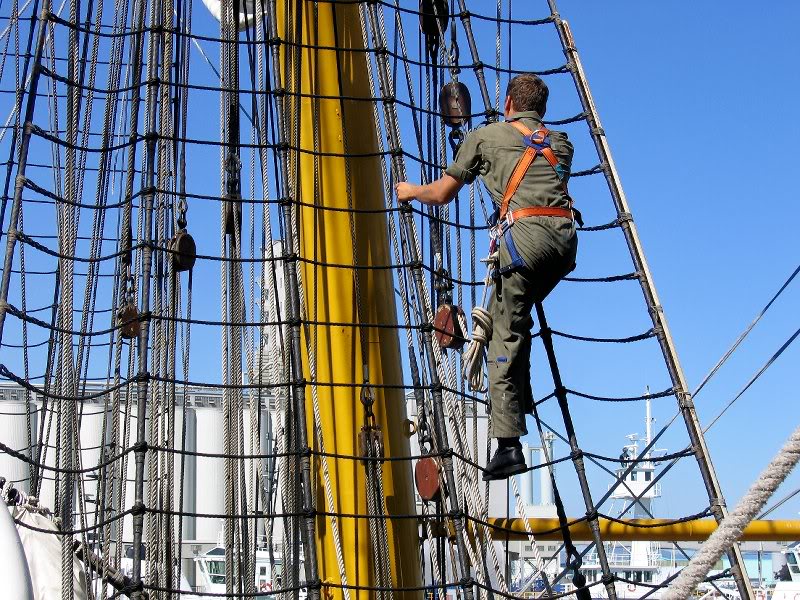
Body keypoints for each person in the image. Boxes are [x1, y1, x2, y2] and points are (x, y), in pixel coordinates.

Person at [396, 73, 578, 481]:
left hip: (525, 243)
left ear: (509, 101)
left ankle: (508, 445)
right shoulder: (561, 143)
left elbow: (443, 193)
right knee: (518, 318)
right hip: (564, 246)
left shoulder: (485, 136)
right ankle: (520, 397)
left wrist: (410, 191)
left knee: (501, 332)